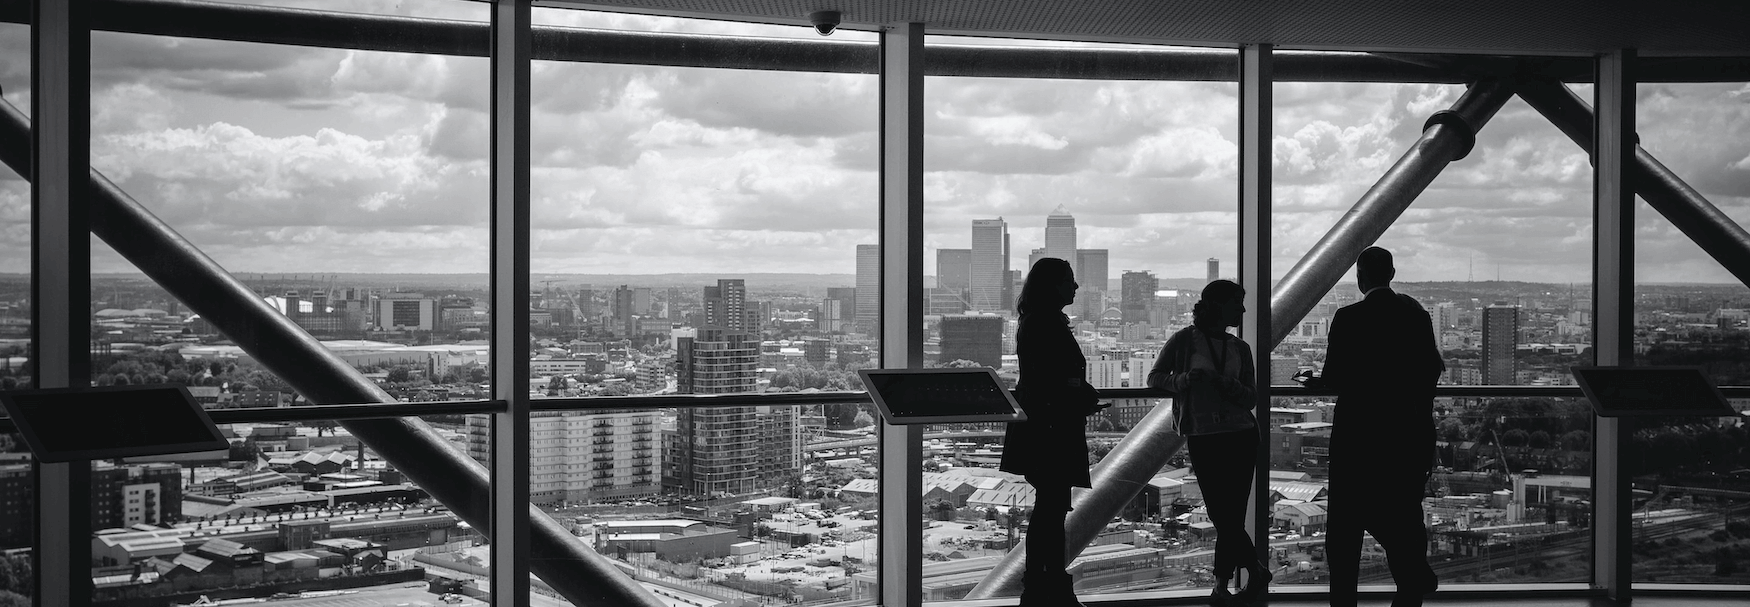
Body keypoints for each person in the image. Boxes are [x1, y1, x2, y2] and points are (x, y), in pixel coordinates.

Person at [1311, 246, 1444, 607]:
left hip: (1358, 434)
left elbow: (1335, 376)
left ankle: (1345, 601)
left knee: (1346, 527)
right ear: (1392, 273)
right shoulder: (1417, 317)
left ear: (1360, 277)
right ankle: (1411, 582)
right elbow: (1430, 370)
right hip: (1406, 432)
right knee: (1404, 513)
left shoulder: (1348, 317)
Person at [1147, 280, 1268, 606]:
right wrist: (1184, 380)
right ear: (1218, 306)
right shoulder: (1184, 341)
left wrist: (1223, 384)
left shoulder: (1239, 348)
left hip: (1235, 436)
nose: (1243, 309)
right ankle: (1251, 573)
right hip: (1214, 437)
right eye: (1237, 303)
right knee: (1224, 515)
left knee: (1227, 516)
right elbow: (1155, 377)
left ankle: (1222, 586)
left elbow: (1251, 397)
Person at [999, 257, 1105, 607]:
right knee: (1051, 512)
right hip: (1052, 429)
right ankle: (1048, 586)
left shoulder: (1036, 321)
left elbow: (1044, 377)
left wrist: (1077, 394)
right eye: (1069, 280)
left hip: (1044, 426)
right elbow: (1052, 378)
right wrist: (1079, 397)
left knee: (1049, 510)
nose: (1075, 286)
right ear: (1052, 286)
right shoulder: (1046, 323)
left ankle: (1042, 586)